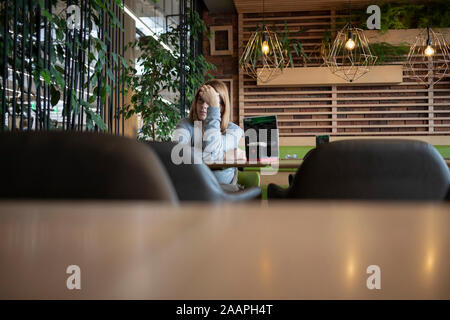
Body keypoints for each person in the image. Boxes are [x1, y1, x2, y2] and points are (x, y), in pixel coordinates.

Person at [172, 80, 245, 187]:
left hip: (226, 190)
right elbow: (179, 155)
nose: (204, 106)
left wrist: (213, 110)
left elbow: (212, 152)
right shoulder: (185, 124)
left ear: (223, 106)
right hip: (194, 188)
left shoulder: (234, 130)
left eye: (211, 103)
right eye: (201, 100)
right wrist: (224, 155)